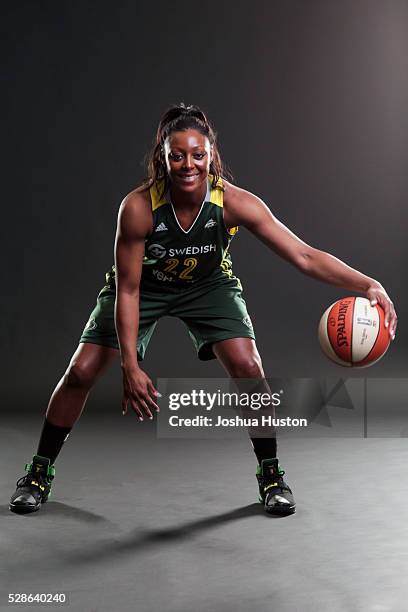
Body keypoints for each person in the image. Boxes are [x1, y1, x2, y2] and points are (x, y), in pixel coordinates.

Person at [9, 103, 397, 516]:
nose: (188, 164)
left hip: (208, 287)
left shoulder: (235, 203)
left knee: (249, 367)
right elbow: (129, 289)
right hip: (146, 289)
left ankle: (271, 475)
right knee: (81, 372)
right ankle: (37, 472)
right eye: (177, 155)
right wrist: (129, 365)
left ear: (211, 155)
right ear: (162, 157)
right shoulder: (139, 208)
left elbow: (303, 255)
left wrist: (367, 283)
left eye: (197, 154)